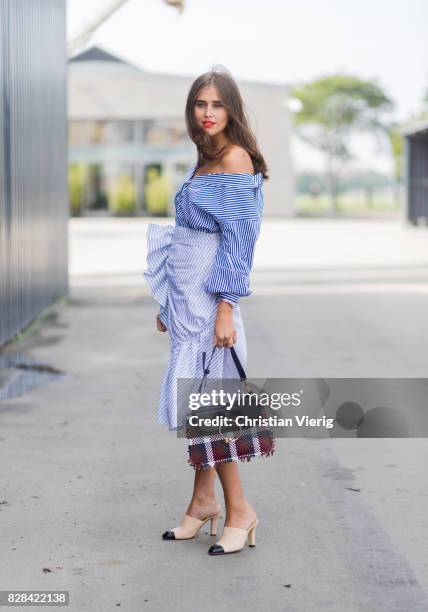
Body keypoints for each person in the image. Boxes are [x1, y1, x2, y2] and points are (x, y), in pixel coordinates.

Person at [143, 65, 275, 556]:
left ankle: (240, 509)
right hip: (188, 299)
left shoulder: (236, 159)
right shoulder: (205, 159)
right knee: (199, 399)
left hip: (211, 301)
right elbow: (189, 240)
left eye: (218, 104)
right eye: (201, 104)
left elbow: (240, 241)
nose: (208, 113)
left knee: (209, 405)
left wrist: (225, 306)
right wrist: (169, 301)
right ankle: (202, 501)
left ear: (232, 110)